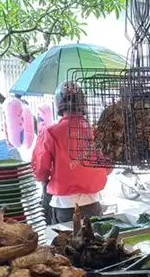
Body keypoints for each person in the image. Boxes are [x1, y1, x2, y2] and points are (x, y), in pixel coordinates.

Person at [32, 82, 110, 224]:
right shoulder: (95, 131)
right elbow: (108, 167)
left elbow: (39, 172)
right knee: (97, 243)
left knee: (66, 244)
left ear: (59, 105)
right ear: (83, 104)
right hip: (93, 203)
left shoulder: (50, 133)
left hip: (64, 206)